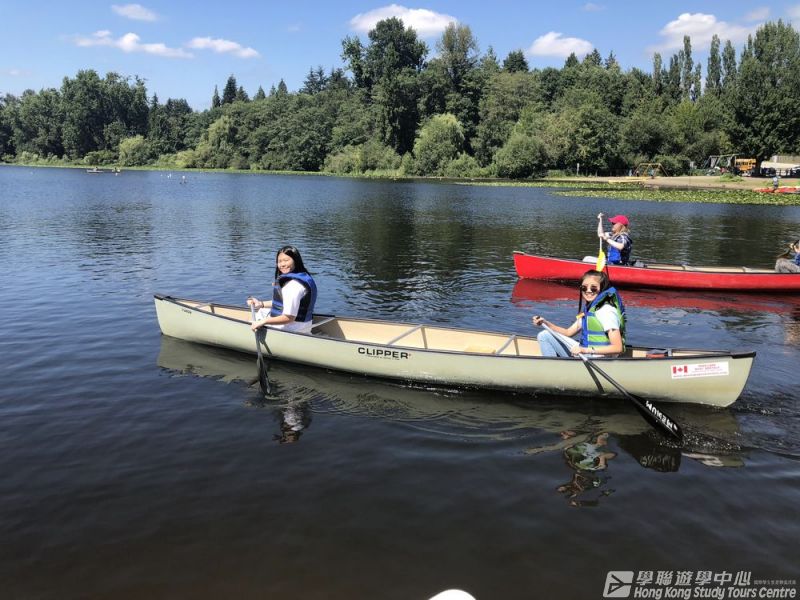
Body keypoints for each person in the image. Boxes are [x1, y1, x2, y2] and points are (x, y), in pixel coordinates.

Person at [532, 269, 625, 358]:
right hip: (587, 353)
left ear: (602, 289)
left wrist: (585, 350)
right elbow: (568, 332)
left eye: (593, 288)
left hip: (599, 358)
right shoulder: (588, 310)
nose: (588, 290)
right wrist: (545, 322)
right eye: (584, 287)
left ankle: (552, 366)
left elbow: (617, 348)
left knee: (544, 336)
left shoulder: (606, 311)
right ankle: (554, 364)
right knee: (544, 335)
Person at [247, 245, 318, 333]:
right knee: (262, 310)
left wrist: (264, 321)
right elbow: (283, 303)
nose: (282, 264)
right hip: (304, 326)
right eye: (279, 261)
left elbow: (289, 317)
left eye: (286, 260)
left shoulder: (292, 286)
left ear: (295, 261)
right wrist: (261, 304)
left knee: (256, 318)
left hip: (292, 329)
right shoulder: (303, 277)